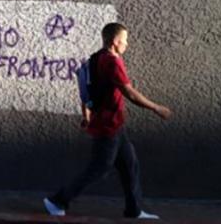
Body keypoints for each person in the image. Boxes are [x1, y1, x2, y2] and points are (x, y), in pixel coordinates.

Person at [43, 22, 172, 219]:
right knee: (99, 168)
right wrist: (156, 108)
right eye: (125, 40)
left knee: (130, 164)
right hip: (107, 125)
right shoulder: (112, 62)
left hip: (114, 125)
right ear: (114, 42)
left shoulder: (96, 58)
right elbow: (129, 92)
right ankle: (57, 201)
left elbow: (85, 88)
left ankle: (134, 210)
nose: (127, 44)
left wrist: (86, 114)